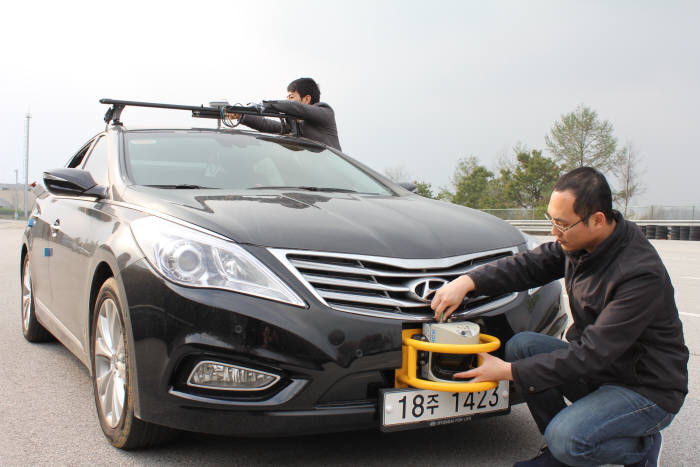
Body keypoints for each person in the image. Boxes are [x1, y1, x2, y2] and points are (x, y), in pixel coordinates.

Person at [431, 167, 688, 467]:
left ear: (598, 220)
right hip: (605, 370)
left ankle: (639, 449)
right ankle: (559, 455)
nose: (554, 232)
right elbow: (526, 266)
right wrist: (467, 281)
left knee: (566, 437)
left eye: (562, 225)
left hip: (645, 388)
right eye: (551, 220)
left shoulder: (639, 275)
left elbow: (591, 354)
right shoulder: (580, 245)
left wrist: (507, 372)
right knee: (523, 346)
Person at [232, 77, 341, 150]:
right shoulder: (295, 123)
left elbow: (295, 107)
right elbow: (268, 126)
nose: (288, 100)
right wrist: (241, 115)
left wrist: (264, 105)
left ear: (307, 99)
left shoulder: (325, 112)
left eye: (291, 97)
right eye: (287, 97)